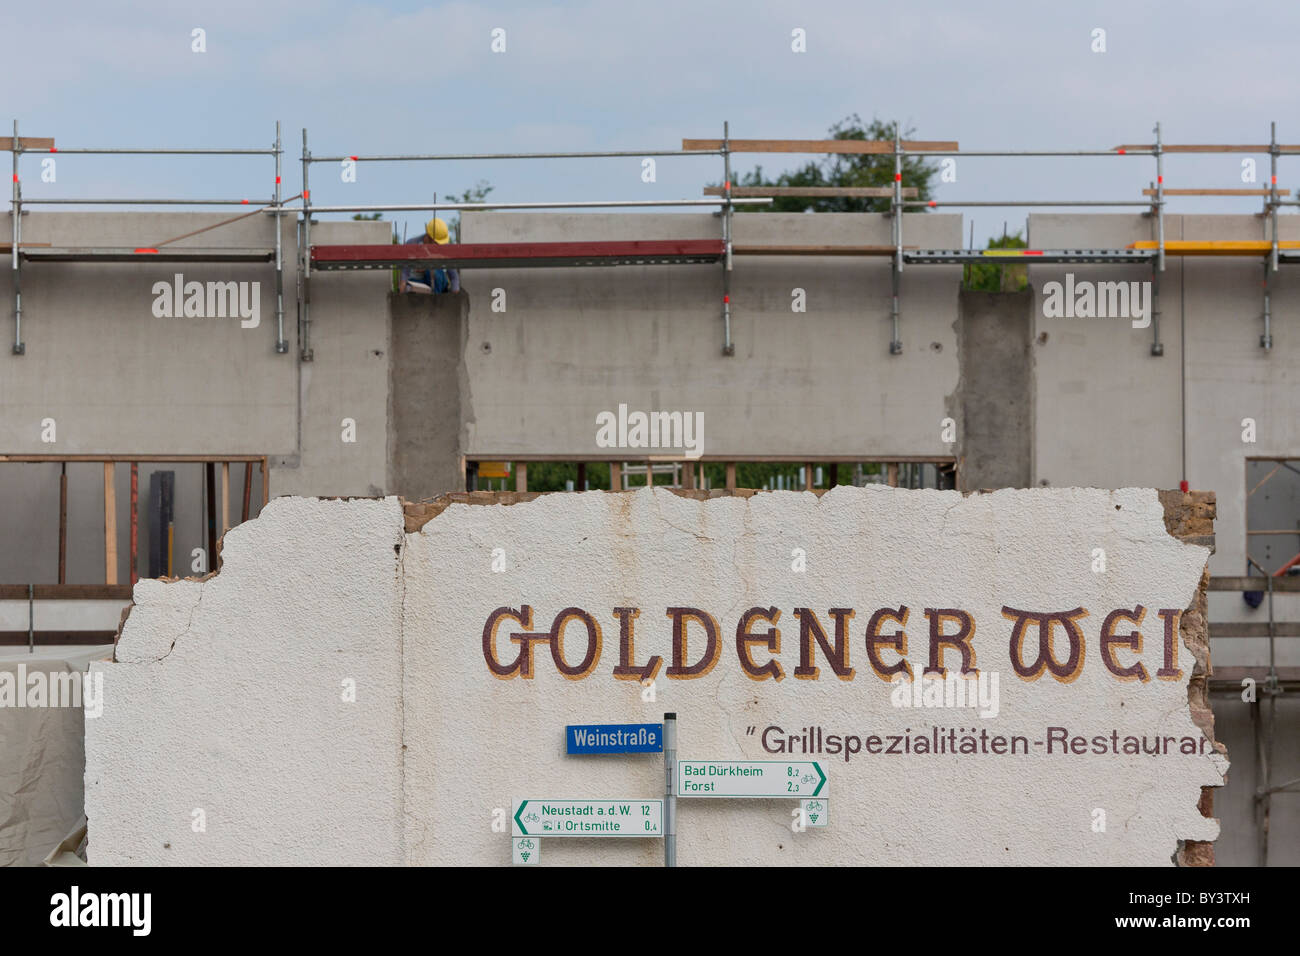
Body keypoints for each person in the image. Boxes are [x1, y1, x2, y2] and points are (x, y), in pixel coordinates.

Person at [398, 216, 460, 294]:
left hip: (438, 281)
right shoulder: (412, 244)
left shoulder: (445, 248)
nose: (439, 246)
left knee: (433, 273)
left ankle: (436, 301)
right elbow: (405, 273)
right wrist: (402, 291)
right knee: (409, 287)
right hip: (419, 282)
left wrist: (455, 296)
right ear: (428, 237)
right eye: (437, 243)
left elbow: (454, 276)